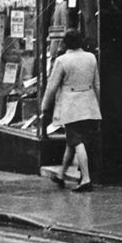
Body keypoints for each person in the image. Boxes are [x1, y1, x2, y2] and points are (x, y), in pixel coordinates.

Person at [41, 28, 101, 192]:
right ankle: (62, 174)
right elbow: (97, 84)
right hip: (89, 104)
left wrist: (45, 106)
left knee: (76, 140)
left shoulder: (62, 61)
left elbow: (51, 87)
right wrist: (98, 104)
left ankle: (86, 179)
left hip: (71, 106)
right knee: (72, 141)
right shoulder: (91, 58)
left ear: (65, 43)